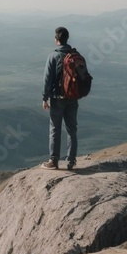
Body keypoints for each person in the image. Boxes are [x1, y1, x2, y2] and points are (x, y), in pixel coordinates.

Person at [41, 26, 78, 170]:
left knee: (55, 129)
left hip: (57, 99)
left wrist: (45, 98)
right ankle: (71, 161)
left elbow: (47, 80)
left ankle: (54, 161)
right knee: (72, 130)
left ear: (56, 40)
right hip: (73, 98)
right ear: (67, 39)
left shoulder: (53, 56)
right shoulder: (75, 55)